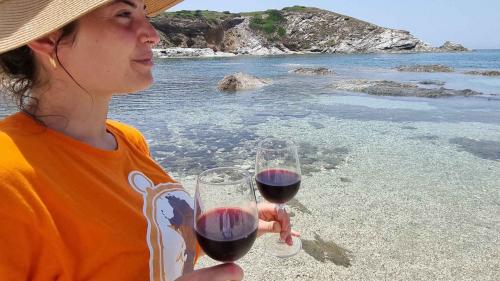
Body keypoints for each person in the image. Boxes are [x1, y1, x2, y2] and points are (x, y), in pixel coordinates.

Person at [0, 1, 298, 280]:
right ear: (47, 37)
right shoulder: (8, 177)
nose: (153, 35)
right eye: (124, 14)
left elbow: (146, 246)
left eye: (145, 12)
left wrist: (223, 224)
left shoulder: (128, 140)